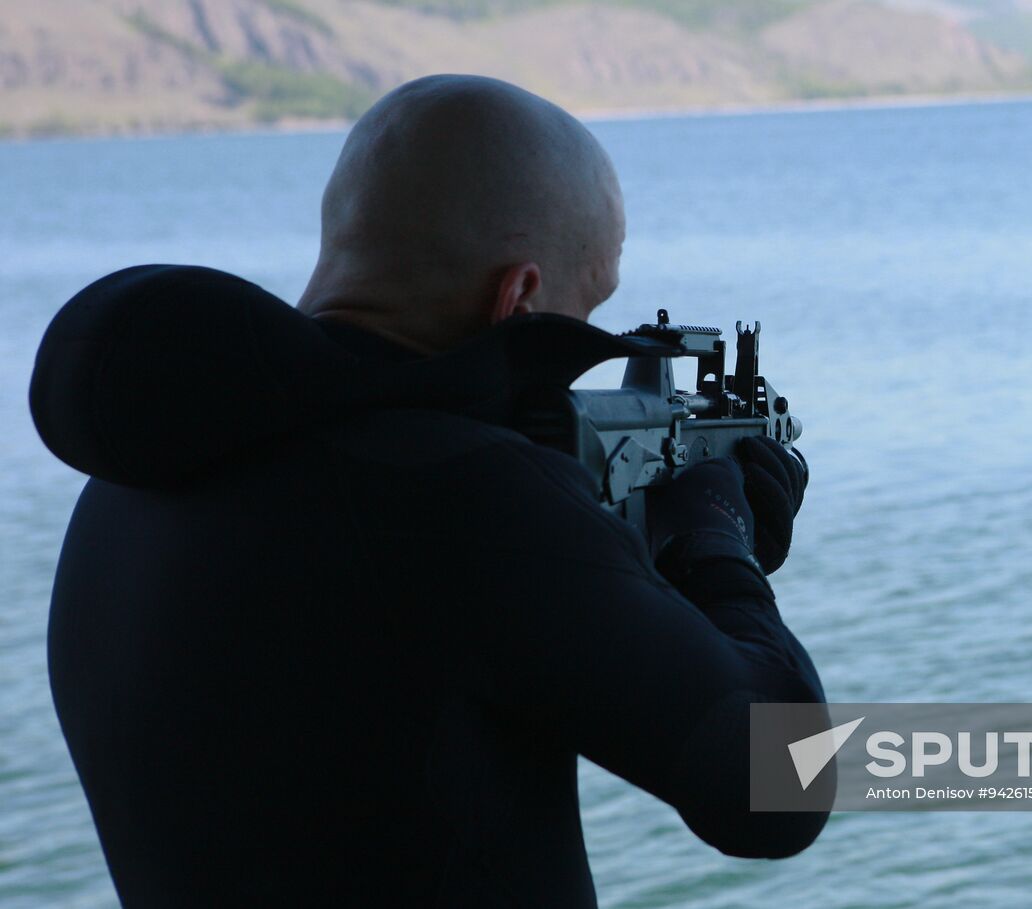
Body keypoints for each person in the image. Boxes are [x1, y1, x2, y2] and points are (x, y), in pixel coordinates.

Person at [30, 75, 827, 907]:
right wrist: (718, 536)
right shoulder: (467, 500)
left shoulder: (127, 485)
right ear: (518, 297)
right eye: (586, 310)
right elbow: (785, 782)